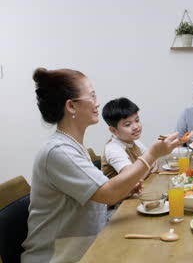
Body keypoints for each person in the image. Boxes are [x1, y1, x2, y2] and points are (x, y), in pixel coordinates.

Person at [22, 68, 180, 263]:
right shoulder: (58, 151)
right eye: (92, 95)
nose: (97, 103)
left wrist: (124, 191)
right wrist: (153, 154)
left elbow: (98, 197)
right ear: (71, 106)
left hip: (88, 243)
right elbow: (107, 193)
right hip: (60, 256)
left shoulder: (71, 146)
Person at [101, 97, 154, 179]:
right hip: (121, 192)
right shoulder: (113, 149)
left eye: (137, 120)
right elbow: (132, 179)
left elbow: (153, 162)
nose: (136, 127)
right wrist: (150, 162)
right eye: (128, 124)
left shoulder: (135, 141)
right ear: (113, 130)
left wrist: (150, 162)